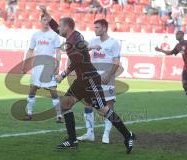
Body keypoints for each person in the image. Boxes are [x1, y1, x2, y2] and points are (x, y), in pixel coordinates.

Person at [40, 6, 135, 154]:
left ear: (67, 27)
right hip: (81, 80)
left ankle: (127, 135)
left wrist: (62, 75)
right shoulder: (73, 36)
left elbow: (78, 60)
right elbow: (57, 29)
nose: (59, 29)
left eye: (61, 26)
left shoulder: (74, 39)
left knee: (103, 110)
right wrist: (46, 13)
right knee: (65, 105)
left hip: (90, 79)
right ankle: (72, 140)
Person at [77, 19, 123, 144]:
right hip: (93, 79)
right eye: (95, 27)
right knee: (87, 104)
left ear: (104, 28)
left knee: (108, 106)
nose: (95, 29)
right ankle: (90, 133)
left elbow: (116, 62)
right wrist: (90, 46)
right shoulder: (93, 41)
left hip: (107, 78)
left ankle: (106, 134)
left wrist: (108, 74)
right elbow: (81, 48)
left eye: (97, 27)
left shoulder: (114, 43)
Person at [22, 14, 63, 123]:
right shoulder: (36, 35)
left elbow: (58, 51)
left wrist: (58, 65)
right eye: (43, 19)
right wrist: (25, 63)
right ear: (40, 20)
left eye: (47, 20)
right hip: (37, 66)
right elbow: (30, 50)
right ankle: (29, 113)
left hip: (49, 66)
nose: (45, 21)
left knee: (53, 91)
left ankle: (59, 115)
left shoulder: (54, 36)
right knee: (32, 89)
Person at [155, 31, 187, 108]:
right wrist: (161, 50)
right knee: (185, 85)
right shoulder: (178, 46)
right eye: (176, 34)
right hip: (186, 68)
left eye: (178, 34)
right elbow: (170, 52)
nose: (176, 35)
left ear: (182, 35)